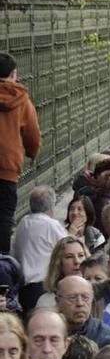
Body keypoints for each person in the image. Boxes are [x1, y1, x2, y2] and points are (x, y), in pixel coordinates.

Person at [0, 52, 41, 248]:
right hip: (7, 168)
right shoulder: (22, 101)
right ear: (13, 73)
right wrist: (32, 153)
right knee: (4, 217)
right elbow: (32, 134)